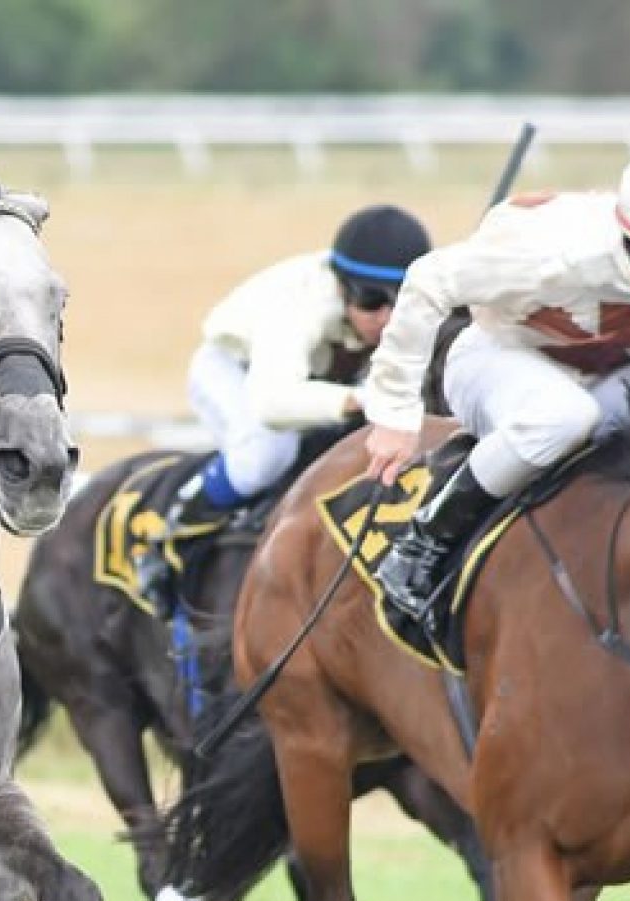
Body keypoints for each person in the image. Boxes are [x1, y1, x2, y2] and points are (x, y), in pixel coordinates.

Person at [364, 142, 630, 624]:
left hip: (610, 373)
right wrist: (394, 414)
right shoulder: (553, 253)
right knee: (564, 416)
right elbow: (426, 282)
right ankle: (423, 543)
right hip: (498, 359)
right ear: (628, 244)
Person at [135, 204, 433, 611]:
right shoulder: (300, 307)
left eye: (402, 301)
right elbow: (271, 401)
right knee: (266, 456)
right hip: (234, 371)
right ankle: (172, 532)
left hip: (326, 377)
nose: (386, 317)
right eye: (370, 300)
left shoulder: (409, 307)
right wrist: (362, 400)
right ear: (341, 286)